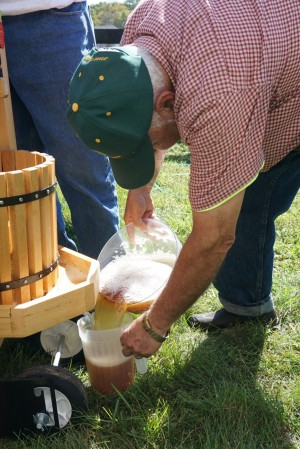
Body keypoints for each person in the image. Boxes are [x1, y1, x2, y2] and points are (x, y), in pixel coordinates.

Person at [67, 0, 300, 358]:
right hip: (259, 54)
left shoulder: (218, 92)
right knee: (242, 195)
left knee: (252, 196)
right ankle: (247, 305)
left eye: (143, 144)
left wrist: (153, 325)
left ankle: (245, 304)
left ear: (168, 103)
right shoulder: (137, 37)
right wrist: (140, 187)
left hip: (284, 82)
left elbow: (214, 238)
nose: (147, 151)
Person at [1, 1, 119, 259]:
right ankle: (56, 279)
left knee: (83, 168)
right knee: (22, 175)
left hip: (51, 19)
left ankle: (111, 284)